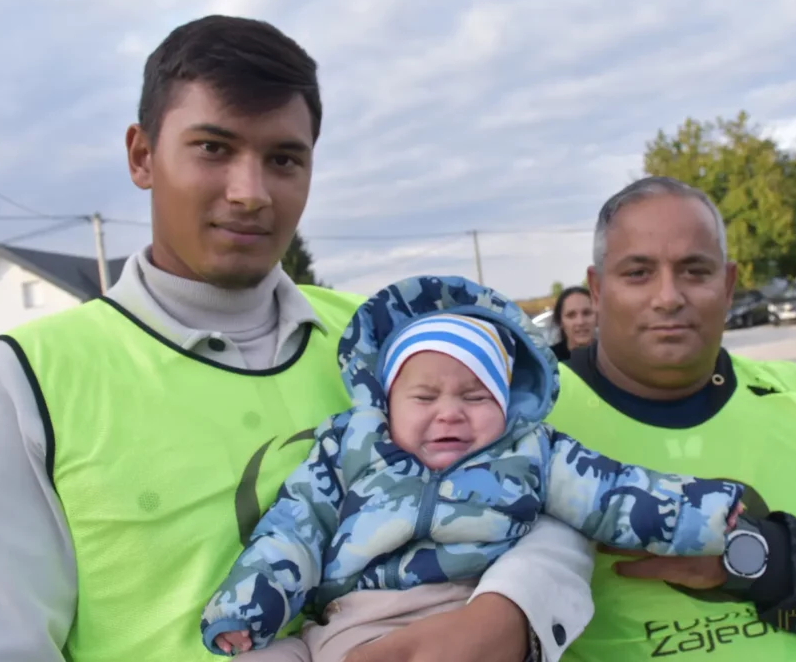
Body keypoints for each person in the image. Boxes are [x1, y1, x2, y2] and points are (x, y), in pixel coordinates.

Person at [0, 15, 597, 662]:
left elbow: (550, 487)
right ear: (142, 155)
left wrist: (512, 612)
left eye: (283, 158)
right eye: (213, 148)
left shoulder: (388, 341)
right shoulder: (19, 389)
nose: (250, 192)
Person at [201, 275, 744, 660]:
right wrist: (250, 603)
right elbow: (297, 524)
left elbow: (612, 492)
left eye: (475, 396)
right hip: (350, 619)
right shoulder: (350, 444)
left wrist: (706, 514)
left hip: (470, 610)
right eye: (425, 396)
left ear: (507, 404)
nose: (450, 414)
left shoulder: (530, 451)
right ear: (388, 400)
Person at [547, 177, 796, 660]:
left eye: (695, 271)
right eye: (638, 272)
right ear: (597, 289)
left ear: (729, 284)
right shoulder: (531, 416)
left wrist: (747, 556)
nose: (668, 296)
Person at [549, 286, 596, 361]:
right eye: (571, 315)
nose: (580, 322)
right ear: (560, 321)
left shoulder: (612, 356)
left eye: (586, 313)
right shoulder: (548, 361)